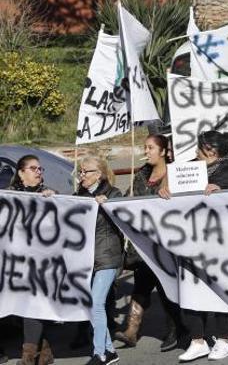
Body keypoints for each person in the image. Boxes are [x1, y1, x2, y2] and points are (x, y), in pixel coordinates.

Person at [179, 131, 228, 362]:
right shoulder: (189, 169)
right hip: (193, 239)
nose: (194, 153)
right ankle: (197, 340)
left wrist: (224, 193)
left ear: (210, 151)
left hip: (221, 243)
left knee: (219, 292)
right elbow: (171, 189)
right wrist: (165, 189)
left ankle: (223, 340)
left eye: (198, 148)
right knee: (191, 291)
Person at [115, 134, 184, 353]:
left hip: (166, 242)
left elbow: (185, 204)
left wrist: (171, 194)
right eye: (145, 147)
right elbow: (129, 199)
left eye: (151, 147)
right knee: (142, 285)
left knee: (165, 289)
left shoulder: (175, 173)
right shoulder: (141, 174)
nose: (146, 151)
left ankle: (176, 328)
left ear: (163, 151)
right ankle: (131, 330)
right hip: (143, 243)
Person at [7, 156, 56, 365]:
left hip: (41, 263)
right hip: (17, 263)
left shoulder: (47, 194)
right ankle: (44, 353)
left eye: (40, 168)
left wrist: (54, 200)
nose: (38, 172)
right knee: (26, 308)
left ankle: (28, 357)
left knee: (31, 306)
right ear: (20, 173)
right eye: (33, 168)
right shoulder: (9, 197)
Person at [75, 156, 124, 365]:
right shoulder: (78, 195)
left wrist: (107, 205)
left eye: (86, 171)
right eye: (80, 171)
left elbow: (123, 218)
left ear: (99, 174)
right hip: (88, 259)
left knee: (96, 303)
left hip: (108, 256)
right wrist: (51, 197)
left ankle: (100, 353)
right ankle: (110, 351)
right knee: (94, 305)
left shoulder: (114, 193)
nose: (81, 175)